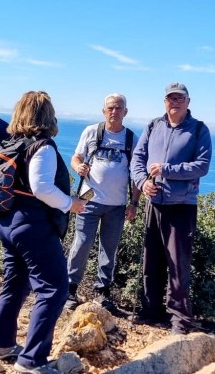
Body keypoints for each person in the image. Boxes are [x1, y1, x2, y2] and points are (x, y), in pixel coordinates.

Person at [0, 91, 85, 374]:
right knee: (54, 288)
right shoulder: (42, 146)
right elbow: (41, 187)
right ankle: (31, 361)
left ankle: (2, 344)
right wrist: (72, 204)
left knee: (16, 282)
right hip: (31, 224)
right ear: (47, 116)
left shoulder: (11, 143)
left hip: (6, 222)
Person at [129, 82, 212, 335]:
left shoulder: (198, 129)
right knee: (151, 260)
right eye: (170, 98)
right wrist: (143, 183)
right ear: (164, 101)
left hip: (181, 205)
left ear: (188, 101)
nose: (174, 102)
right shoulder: (154, 126)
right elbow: (137, 159)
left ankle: (179, 319)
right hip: (154, 203)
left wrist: (167, 170)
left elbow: (202, 166)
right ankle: (151, 310)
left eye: (179, 98)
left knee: (177, 263)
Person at [64, 93, 140, 312]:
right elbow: (76, 157)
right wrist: (78, 166)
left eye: (118, 108)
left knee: (110, 248)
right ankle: (70, 288)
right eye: (110, 108)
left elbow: (137, 173)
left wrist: (134, 203)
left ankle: (102, 291)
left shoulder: (131, 139)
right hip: (88, 201)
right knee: (82, 243)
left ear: (125, 112)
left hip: (117, 205)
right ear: (103, 111)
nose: (114, 112)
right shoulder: (91, 132)